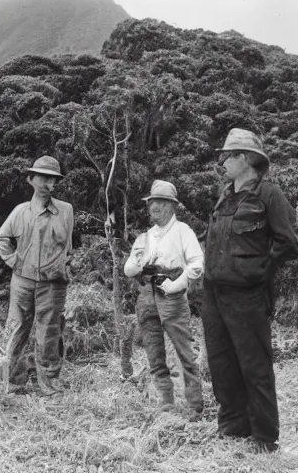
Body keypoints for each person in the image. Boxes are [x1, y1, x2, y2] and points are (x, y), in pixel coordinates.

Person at [203, 128, 298, 453]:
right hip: (214, 294)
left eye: (228, 156)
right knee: (221, 362)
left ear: (244, 159)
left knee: (254, 365)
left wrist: (260, 272)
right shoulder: (225, 196)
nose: (223, 162)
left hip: (248, 296)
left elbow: (288, 242)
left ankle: (264, 437)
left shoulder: (269, 194)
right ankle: (232, 427)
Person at [0, 155, 74, 396]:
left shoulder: (66, 211)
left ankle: (49, 386)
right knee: (18, 330)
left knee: (49, 332)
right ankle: (14, 385)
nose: (47, 183)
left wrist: (63, 266)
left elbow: (67, 245)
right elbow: (0, 239)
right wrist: (13, 261)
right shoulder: (20, 212)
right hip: (23, 281)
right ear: (31, 179)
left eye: (52, 179)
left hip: (53, 283)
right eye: (42, 177)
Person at [123, 180, 204, 419]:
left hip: (172, 292)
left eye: (159, 202)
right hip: (147, 293)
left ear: (171, 206)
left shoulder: (183, 232)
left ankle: (194, 405)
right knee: (153, 349)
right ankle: (166, 402)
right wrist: (137, 262)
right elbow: (128, 269)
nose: (153, 207)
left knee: (184, 349)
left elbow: (197, 264)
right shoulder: (144, 237)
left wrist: (178, 284)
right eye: (151, 202)